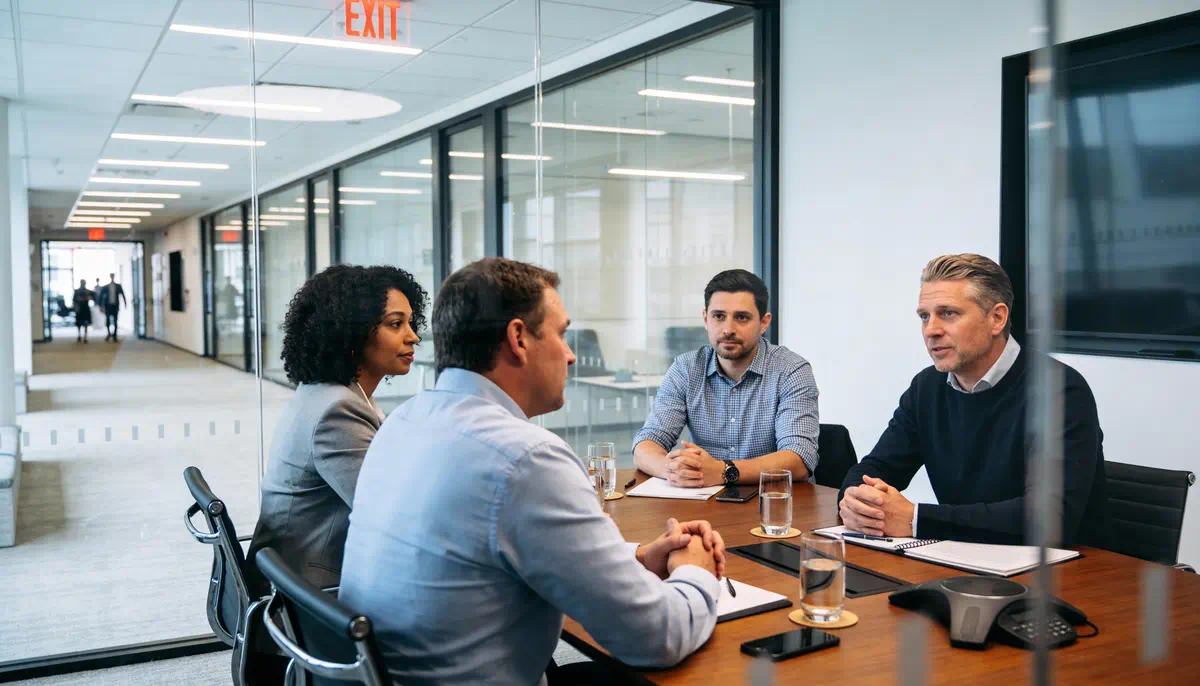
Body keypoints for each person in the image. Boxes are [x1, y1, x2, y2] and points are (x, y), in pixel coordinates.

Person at [340, 258, 726, 685]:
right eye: (561, 334)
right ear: (519, 338)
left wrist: (635, 559)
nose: (572, 354)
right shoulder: (524, 457)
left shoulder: (404, 421)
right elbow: (656, 638)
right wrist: (697, 571)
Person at [838, 254, 1109, 547]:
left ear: (997, 318)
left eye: (949, 313)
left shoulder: (1061, 391)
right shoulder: (926, 388)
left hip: (1071, 576)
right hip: (966, 563)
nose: (931, 330)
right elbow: (873, 469)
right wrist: (855, 501)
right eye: (925, 316)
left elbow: (1048, 518)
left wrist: (916, 520)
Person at [245, 264, 427, 594]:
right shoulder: (337, 410)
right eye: (395, 324)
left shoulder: (326, 393)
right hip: (308, 595)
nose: (413, 336)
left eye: (411, 323)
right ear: (354, 332)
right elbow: (391, 514)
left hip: (295, 574)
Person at [632, 269, 820, 488]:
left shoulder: (791, 371)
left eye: (742, 317)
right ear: (706, 319)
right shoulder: (686, 368)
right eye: (719, 316)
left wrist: (724, 471)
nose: (728, 329)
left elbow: (799, 459)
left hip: (776, 505)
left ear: (764, 322)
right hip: (706, 503)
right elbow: (646, 443)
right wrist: (671, 469)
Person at [99, 273, 127, 342]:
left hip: (115, 306)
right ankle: (108, 334)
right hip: (108, 306)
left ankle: (115, 336)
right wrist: (100, 306)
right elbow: (101, 297)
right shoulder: (105, 287)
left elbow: (123, 295)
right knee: (108, 320)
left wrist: (125, 303)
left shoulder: (118, 286)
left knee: (115, 321)